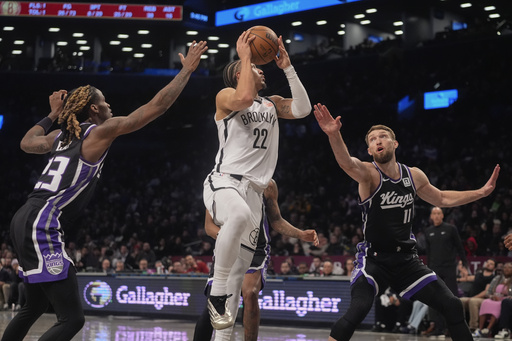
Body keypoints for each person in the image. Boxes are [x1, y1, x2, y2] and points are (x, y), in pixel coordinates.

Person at [1, 40, 207, 341]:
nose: (111, 106)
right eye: (106, 102)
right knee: (72, 319)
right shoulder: (97, 133)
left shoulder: (59, 135)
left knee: (33, 306)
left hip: (24, 217)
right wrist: (187, 71)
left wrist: (52, 115)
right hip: (42, 221)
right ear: (94, 109)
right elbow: (154, 108)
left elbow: (26, 142)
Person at [313, 102, 500, 341]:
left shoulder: (414, 175)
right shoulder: (368, 174)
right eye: (372, 139)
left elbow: (441, 197)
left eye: (383, 136)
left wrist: (480, 193)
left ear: (395, 143)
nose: (378, 141)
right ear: (369, 150)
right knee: (358, 309)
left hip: (406, 261)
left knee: (452, 305)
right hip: (375, 261)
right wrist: (334, 134)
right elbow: (346, 163)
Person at [202, 30, 311, 330]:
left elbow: (303, 109)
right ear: (239, 73)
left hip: (254, 192)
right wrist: (246, 55)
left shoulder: (271, 104)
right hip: (225, 180)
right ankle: (217, 291)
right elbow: (244, 96)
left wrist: (287, 67)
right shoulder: (226, 96)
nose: (262, 70)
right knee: (235, 217)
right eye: (254, 68)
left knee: (241, 277)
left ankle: (223, 329)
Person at [194, 179, 318, 341]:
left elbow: (276, 220)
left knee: (250, 293)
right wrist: (231, 239)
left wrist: (300, 234)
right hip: (228, 245)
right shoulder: (220, 180)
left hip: (256, 248)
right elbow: (209, 227)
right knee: (211, 309)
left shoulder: (268, 185)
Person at [425, 206, 469, 337]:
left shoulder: (451, 229)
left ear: (443, 216)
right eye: (434, 213)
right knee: (435, 299)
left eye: (439, 213)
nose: (437, 216)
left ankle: (452, 328)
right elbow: (428, 253)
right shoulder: (428, 231)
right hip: (434, 268)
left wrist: (465, 263)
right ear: (431, 217)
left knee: (451, 299)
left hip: (449, 268)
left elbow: (460, 248)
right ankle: (438, 328)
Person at [472, 262, 512, 338]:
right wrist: (492, 296)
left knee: (500, 304)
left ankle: (488, 329)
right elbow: (488, 292)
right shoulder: (497, 278)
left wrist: (504, 297)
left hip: (505, 300)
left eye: (509, 267)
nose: (507, 269)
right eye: (505, 267)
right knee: (485, 302)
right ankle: (480, 329)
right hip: (494, 298)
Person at [460, 258, 497, 331]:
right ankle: (460, 325)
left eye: (491, 264)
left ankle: (473, 327)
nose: (488, 264)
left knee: (473, 302)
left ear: (494, 268)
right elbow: (467, 278)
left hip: (483, 299)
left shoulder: (492, 278)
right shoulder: (478, 275)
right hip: (471, 298)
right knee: (459, 300)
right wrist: (462, 271)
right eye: (488, 262)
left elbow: (486, 291)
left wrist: (472, 298)